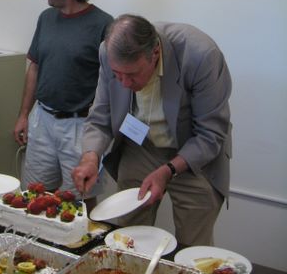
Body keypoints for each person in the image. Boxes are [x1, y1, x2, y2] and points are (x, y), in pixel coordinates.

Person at [72, 14, 232, 246]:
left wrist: (168, 171)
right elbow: (100, 116)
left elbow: (210, 134)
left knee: (191, 245)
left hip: (194, 154)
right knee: (128, 236)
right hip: (141, 147)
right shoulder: (108, 52)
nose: (124, 84)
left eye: (132, 74)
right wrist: (90, 158)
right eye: (117, 75)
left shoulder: (201, 55)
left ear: (155, 53)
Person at [14, 0, 113, 197]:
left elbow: (113, 82)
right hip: (43, 119)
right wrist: (24, 114)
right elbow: (34, 67)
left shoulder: (103, 24)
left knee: (80, 199)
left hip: (80, 126)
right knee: (34, 194)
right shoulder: (46, 18)